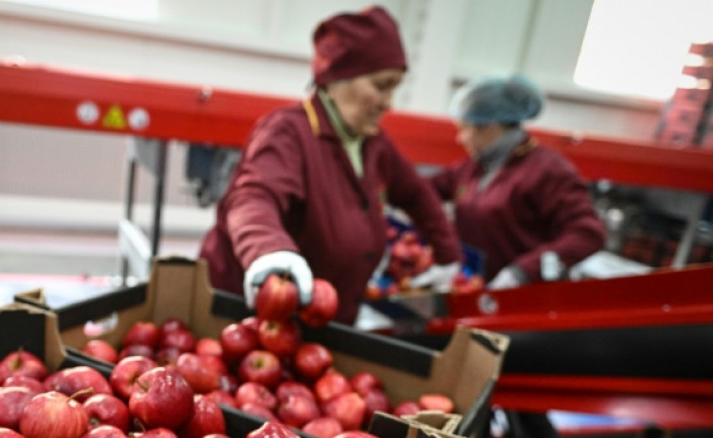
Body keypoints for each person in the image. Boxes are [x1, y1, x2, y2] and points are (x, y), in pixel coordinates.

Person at [199, 5, 463, 325]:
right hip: (251, 321)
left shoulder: (373, 142)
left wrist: (448, 256)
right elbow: (252, 197)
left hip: (323, 321)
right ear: (338, 79)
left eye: (395, 88)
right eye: (382, 85)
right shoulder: (288, 132)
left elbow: (417, 194)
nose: (389, 103)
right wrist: (270, 252)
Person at [428, 74, 606, 290]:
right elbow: (424, 190)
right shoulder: (475, 167)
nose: (461, 138)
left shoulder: (547, 171)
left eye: (466, 128)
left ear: (492, 126)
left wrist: (523, 272)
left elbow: (588, 234)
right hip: (476, 287)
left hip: (523, 298)